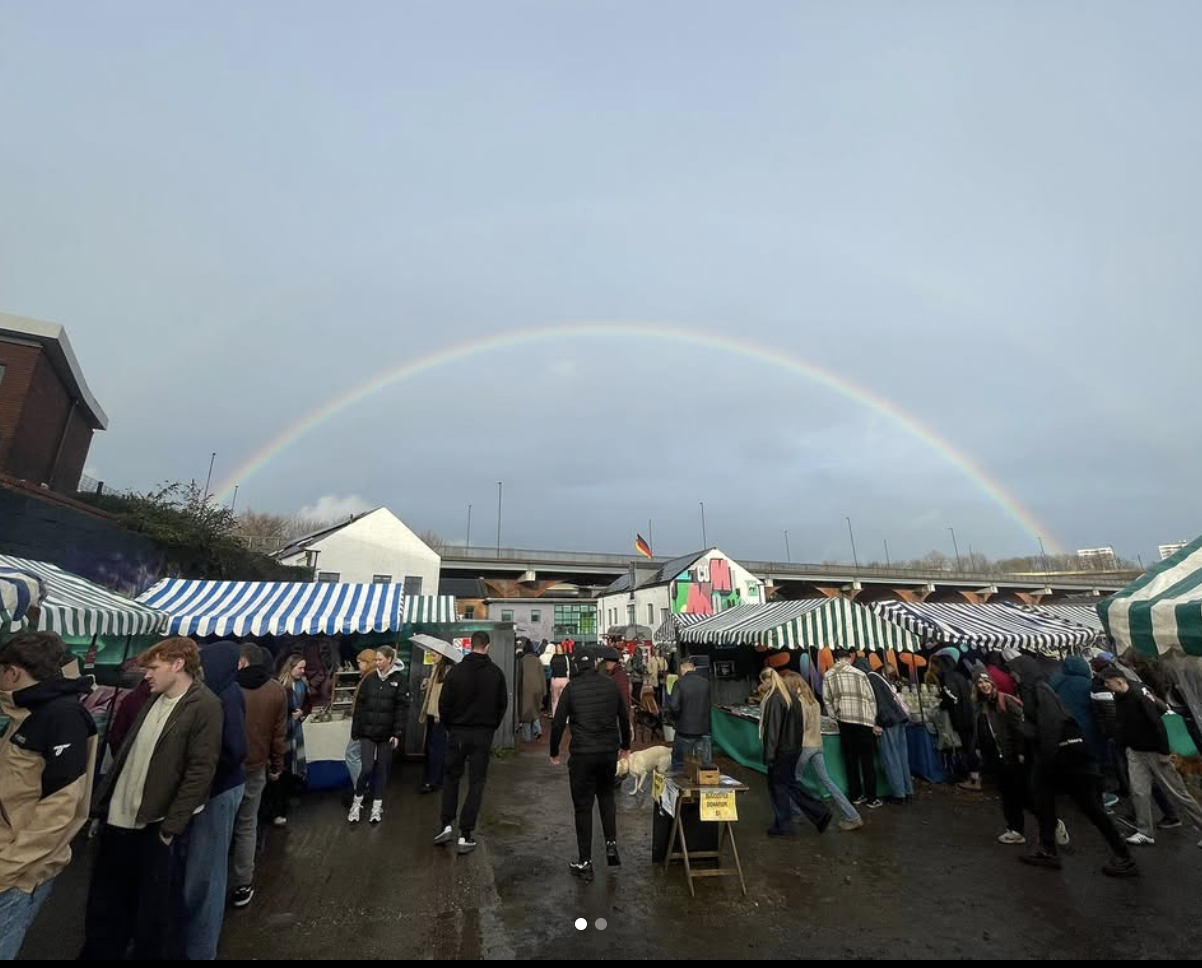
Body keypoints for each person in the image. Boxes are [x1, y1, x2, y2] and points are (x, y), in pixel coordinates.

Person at [81, 637, 223, 959]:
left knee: (154, 912)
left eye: (153, 668)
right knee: (106, 904)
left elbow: (200, 771)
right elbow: (127, 751)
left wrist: (170, 828)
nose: (146, 675)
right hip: (119, 820)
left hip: (154, 825)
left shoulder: (205, 705)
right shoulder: (151, 698)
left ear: (177, 665)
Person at [0, 633, 97, 961]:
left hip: (16, 874)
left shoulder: (61, 717)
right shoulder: (28, 711)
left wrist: (7, 868)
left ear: (13, 672)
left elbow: (60, 810)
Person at [1009, 656, 1136, 878]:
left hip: (1070, 758)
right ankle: (1048, 848)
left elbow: (1050, 726)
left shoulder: (1041, 690)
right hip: (1055, 758)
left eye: (1014, 672)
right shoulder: (1033, 690)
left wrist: (1028, 733)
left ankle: (1124, 854)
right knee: (1042, 801)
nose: (1012, 676)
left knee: (1092, 808)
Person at [183, 641, 247, 960]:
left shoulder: (227, 695)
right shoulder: (219, 692)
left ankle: (200, 948)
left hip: (219, 788)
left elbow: (235, 748)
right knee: (203, 866)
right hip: (217, 787)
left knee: (207, 870)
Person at [550, 650, 632, 881]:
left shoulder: (572, 689)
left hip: (583, 755)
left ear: (575, 666)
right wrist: (625, 746)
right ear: (595, 664)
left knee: (583, 807)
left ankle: (585, 861)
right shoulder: (609, 685)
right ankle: (611, 843)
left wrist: (554, 751)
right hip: (607, 752)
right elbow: (623, 717)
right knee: (607, 797)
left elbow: (558, 723)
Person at [1102, 666, 1202, 847]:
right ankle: (1145, 832)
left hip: (1155, 752)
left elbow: (1157, 724)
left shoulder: (1139, 696)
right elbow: (1122, 723)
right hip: (1135, 751)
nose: (1106, 686)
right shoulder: (1121, 695)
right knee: (1139, 792)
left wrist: (1164, 752)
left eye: (1108, 683)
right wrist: (1125, 746)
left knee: (1178, 792)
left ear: (1119, 681)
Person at [435, 631, 508, 855]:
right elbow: (502, 705)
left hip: (458, 732)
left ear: (470, 646)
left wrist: (450, 726)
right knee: (477, 782)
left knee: (451, 777)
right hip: (482, 734)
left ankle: (447, 823)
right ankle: (466, 834)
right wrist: (490, 727)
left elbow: (444, 704)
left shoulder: (456, 672)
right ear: (487, 646)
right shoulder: (495, 673)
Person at [230, 644, 286, 909]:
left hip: (226, 766)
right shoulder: (276, 690)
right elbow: (278, 735)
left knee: (218, 826)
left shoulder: (227, 687)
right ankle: (243, 882)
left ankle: (212, 882)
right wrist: (277, 765)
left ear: (242, 661)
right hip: (256, 765)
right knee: (246, 825)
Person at [782, 672, 862, 832]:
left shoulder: (799, 702)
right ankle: (852, 815)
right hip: (817, 745)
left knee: (793, 780)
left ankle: (795, 813)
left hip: (804, 746)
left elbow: (800, 727)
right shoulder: (814, 701)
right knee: (827, 781)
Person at [759, 668, 832, 837]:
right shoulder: (792, 698)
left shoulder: (775, 699)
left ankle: (785, 824)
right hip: (792, 749)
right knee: (790, 784)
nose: (762, 685)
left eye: (763, 681)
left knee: (778, 787)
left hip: (780, 751)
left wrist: (769, 755)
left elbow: (773, 732)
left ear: (769, 680)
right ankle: (818, 812)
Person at [349, 646, 410, 824]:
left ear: (390, 660)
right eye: (375, 659)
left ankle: (377, 806)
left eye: (380, 659)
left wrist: (397, 733)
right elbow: (360, 705)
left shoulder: (400, 680)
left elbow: (402, 708)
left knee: (382, 770)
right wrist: (356, 730)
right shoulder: (370, 679)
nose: (377, 662)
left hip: (386, 734)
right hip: (367, 732)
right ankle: (357, 802)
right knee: (367, 768)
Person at [823, 649, 882, 809]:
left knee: (851, 760)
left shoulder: (828, 675)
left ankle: (856, 795)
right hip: (863, 721)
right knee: (867, 761)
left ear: (835, 659)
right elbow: (871, 699)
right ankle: (872, 798)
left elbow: (827, 700)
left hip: (844, 721)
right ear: (849, 658)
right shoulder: (860, 674)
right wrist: (873, 718)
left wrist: (834, 717)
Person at [861, 659, 914, 804]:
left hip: (888, 721)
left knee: (891, 758)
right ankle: (908, 791)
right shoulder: (879, 678)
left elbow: (880, 703)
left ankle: (899, 795)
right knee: (902, 757)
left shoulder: (870, 679)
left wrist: (878, 723)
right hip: (899, 718)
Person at [265, 655, 308, 827]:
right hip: (284, 732)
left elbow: (308, 703)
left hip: (295, 729)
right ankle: (279, 807)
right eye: (300, 668)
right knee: (282, 766)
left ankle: (288, 797)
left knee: (290, 765)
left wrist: (302, 712)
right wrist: (291, 713)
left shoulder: (302, 684)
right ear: (290, 667)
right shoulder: (280, 686)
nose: (303, 671)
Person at [935, 654, 979, 790]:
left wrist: (942, 704)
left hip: (961, 717)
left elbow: (953, 698)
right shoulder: (959, 675)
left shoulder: (948, 678)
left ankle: (974, 779)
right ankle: (973, 774)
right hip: (969, 714)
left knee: (968, 747)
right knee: (969, 745)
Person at [665, 659, 714, 772]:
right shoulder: (705, 683)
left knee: (679, 763)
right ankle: (701, 787)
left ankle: (679, 787)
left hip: (684, 728)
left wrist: (676, 719)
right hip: (703, 728)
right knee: (703, 763)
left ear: (682, 669)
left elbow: (673, 706)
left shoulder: (679, 683)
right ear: (694, 669)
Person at [419, 656, 452, 794]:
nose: (432, 656)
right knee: (430, 748)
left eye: (435, 654)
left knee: (436, 749)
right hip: (431, 714)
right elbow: (432, 693)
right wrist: (426, 683)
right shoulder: (436, 669)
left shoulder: (447, 671)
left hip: (438, 715)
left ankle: (434, 781)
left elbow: (444, 694)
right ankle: (432, 778)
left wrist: (439, 713)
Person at [345, 649, 377, 789]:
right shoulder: (371, 676)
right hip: (367, 724)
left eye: (360, 662)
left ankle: (361, 788)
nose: (358, 665)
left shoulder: (369, 679)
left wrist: (357, 728)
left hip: (363, 725)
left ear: (368, 662)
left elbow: (364, 706)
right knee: (360, 756)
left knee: (351, 755)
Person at [519, 641, 546, 743]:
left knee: (526, 711)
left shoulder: (522, 661)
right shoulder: (538, 660)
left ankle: (527, 737)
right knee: (535, 709)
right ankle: (537, 729)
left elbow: (519, 677)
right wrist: (544, 691)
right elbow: (542, 676)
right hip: (538, 688)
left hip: (526, 688)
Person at [550, 644, 570, 717]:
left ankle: (555, 716)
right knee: (564, 700)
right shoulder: (565, 657)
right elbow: (568, 669)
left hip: (555, 679)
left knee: (555, 700)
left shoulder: (553, 657)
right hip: (564, 679)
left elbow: (551, 667)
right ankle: (565, 717)